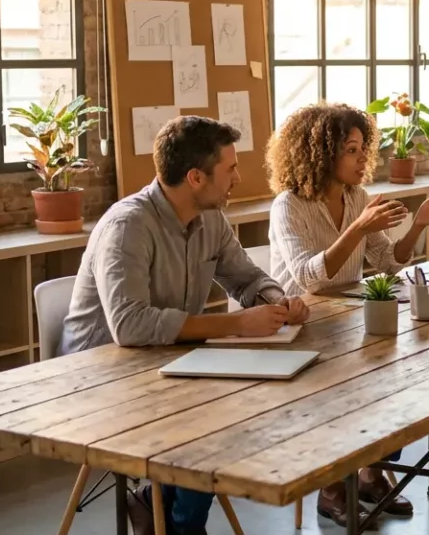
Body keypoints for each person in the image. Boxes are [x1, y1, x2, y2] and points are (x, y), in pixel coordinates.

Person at [60, 116, 310, 535]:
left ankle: (161, 507)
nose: (238, 177)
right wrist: (235, 325)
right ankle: (179, 524)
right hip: (102, 380)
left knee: (234, 405)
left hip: (167, 362)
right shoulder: (129, 226)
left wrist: (276, 302)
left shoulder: (210, 216)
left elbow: (247, 278)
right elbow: (129, 325)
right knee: (211, 420)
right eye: (230, 169)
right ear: (196, 177)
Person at [265, 102, 429, 527]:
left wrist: (419, 225)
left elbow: (390, 262)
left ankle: (370, 475)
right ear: (321, 154)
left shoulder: (357, 199)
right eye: (351, 150)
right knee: (351, 397)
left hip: (350, 322)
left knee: (403, 385)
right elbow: (309, 279)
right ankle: (332, 490)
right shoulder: (289, 205)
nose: (361, 159)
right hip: (302, 328)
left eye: (361, 148)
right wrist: (358, 229)